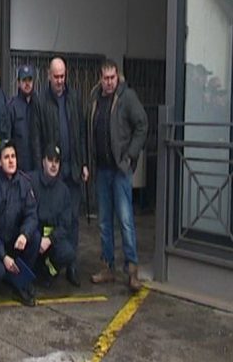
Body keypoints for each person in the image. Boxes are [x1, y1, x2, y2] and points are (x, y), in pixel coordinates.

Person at [87, 60, 148, 292]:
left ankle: (132, 270)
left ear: (118, 77)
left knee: (125, 220)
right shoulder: (94, 97)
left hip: (120, 170)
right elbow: (89, 129)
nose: (109, 82)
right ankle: (107, 267)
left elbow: (142, 124)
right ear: (100, 78)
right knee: (104, 222)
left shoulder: (127, 97)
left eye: (113, 77)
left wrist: (131, 155)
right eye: (106, 78)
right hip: (102, 170)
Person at [31, 57, 87, 287]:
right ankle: (45, 265)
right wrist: (40, 169)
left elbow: (81, 133)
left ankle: (71, 266)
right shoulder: (40, 101)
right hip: (52, 170)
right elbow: (36, 137)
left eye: (63, 76)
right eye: (56, 76)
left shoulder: (74, 98)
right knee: (47, 218)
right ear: (48, 75)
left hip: (72, 168)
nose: (60, 80)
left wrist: (84, 163)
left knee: (72, 220)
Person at [0, 140, 40, 306]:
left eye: (13, 156)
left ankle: (20, 283)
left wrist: (24, 234)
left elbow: (32, 215)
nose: (11, 161)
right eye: (6, 157)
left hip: (17, 241)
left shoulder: (24, 182)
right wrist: (3, 256)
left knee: (35, 237)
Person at [29, 145, 76, 288]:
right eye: (50, 160)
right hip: (33, 237)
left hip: (52, 240)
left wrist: (50, 239)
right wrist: (36, 237)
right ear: (43, 161)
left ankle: (49, 272)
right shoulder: (30, 182)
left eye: (57, 161)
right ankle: (32, 272)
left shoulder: (64, 191)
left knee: (68, 253)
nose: (54, 165)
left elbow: (65, 225)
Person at [8, 64, 36, 172]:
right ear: (19, 83)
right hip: (18, 167)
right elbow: (8, 138)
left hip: (36, 166)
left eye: (30, 80)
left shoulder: (38, 104)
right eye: (24, 80)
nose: (27, 84)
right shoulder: (12, 107)